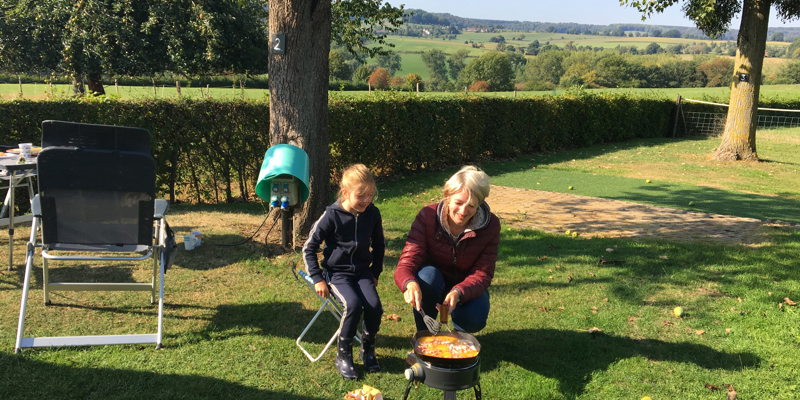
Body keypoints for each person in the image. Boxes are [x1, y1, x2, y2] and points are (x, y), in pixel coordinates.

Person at [302, 164, 385, 380]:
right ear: (345, 193)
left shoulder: (372, 213)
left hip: (363, 272)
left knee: (375, 307)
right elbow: (309, 247)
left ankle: (367, 349)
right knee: (353, 305)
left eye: (370, 195)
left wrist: (375, 272)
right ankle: (343, 354)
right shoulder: (332, 215)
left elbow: (379, 245)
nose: (366, 200)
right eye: (360, 195)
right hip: (337, 274)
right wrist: (317, 278)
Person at [394, 165, 500, 334]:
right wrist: (409, 283)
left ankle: (458, 336)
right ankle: (424, 334)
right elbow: (406, 264)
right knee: (426, 278)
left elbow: (483, 273)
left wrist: (459, 292)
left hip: (465, 285)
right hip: (433, 281)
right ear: (447, 197)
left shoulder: (491, 226)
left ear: (480, 203)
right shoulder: (427, 216)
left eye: (471, 205)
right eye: (458, 202)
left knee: (475, 317)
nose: (463, 211)